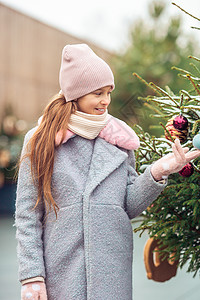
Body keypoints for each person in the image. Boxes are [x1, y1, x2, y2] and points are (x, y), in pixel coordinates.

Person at [15, 44, 200, 300]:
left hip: (112, 272)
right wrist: (31, 277)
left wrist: (159, 171)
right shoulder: (40, 141)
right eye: (98, 93)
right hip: (62, 271)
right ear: (76, 94)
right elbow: (27, 215)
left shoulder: (120, 141)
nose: (106, 101)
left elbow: (127, 205)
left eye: (108, 92)